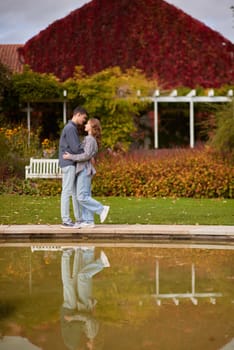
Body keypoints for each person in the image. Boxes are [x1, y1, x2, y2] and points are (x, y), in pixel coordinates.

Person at [63, 118, 109, 228]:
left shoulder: (90, 139)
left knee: (81, 197)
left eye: (87, 123)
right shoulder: (89, 139)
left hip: (84, 169)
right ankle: (89, 221)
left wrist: (71, 157)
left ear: (92, 127)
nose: (85, 125)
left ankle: (101, 208)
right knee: (86, 195)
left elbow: (86, 155)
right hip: (85, 169)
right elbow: (88, 155)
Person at [61, 247, 110, 350]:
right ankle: (101, 263)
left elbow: (91, 317)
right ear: (94, 346)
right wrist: (72, 318)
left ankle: (88, 252)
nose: (88, 348)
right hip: (85, 304)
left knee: (81, 276)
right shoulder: (91, 334)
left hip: (84, 303)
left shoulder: (90, 335)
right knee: (82, 276)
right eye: (91, 349)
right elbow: (88, 318)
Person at [59, 106, 88, 228]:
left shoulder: (72, 128)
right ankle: (66, 220)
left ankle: (79, 219)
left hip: (71, 163)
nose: (84, 121)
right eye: (84, 118)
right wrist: (87, 151)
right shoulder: (70, 128)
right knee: (67, 191)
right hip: (69, 164)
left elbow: (75, 147)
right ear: (78, 114)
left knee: (75, 192)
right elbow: (76, 148)